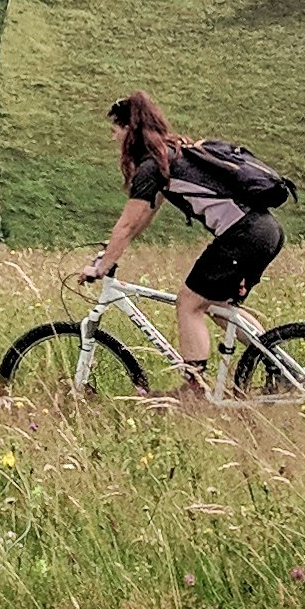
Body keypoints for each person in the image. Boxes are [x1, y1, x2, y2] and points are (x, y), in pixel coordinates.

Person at [81, 90, 281, 397]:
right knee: (219, 308)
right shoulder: (172, 153)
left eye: (115, 131)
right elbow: (142, 217)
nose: (113, 139)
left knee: (188, 303)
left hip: (243, 234)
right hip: (264, 230)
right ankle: (278, 365)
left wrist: (102, 266)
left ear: (129, 131)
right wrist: (110, 253)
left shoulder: (152, 166)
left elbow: (126, 223)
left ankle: (195, 390)